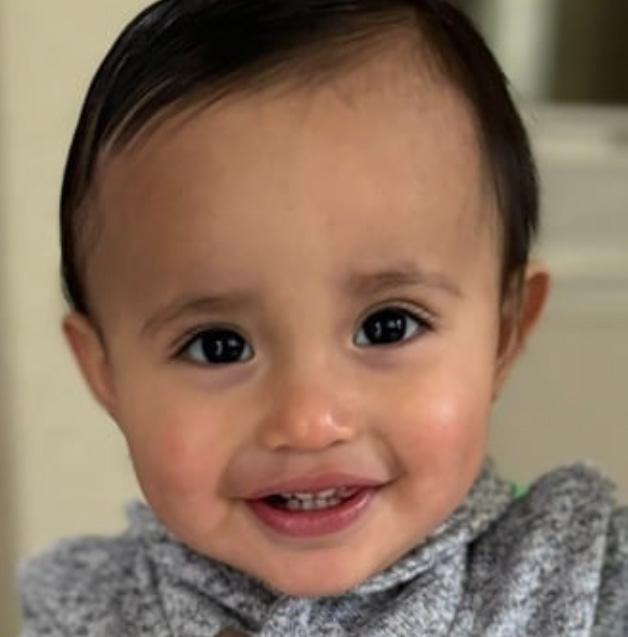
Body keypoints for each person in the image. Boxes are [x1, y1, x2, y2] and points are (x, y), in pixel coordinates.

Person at [18, 1, 628, 635]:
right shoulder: (82, 613)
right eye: (218, 345)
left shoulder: (583, 582)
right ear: (107, 373)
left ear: (503, 335)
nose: (308, 421)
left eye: (388, 326)